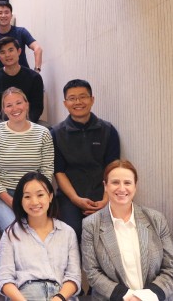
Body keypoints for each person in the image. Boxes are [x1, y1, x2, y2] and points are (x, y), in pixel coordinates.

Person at [81, 160, 173, 300]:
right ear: (105, 186)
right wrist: (128, 297)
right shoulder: (90, 225)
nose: (122, 188)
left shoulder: (156, 219)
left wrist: (143, 297)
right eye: (115, 182)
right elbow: (92, 273)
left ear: (135, 186)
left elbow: (172, 269)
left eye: (127, 183)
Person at [52, 79, 120, 242]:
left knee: (107, 233)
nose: (78, 102)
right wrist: (76, 199)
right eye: (72, 98)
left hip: (102, 194)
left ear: (92, 99)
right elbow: (59, 172)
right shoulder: (56, 133)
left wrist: (105, 199)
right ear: (65, 103)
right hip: (70, 197)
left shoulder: (108, 130)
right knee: (72, 232)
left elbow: (112, 169)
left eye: (83, 97)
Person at [0, 172, 81, 301]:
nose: (34, 202)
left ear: (50, 196)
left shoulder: (67, 232)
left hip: (61, 296)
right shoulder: (11, 233)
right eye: (27, 197)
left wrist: (59, 298)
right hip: (25, 295)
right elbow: (5, 280)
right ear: (21, 200)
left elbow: (73, 277)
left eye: (40, 195)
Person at [0, 87, 54, 232]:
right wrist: (13, 202)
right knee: (14, 230)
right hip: (1, 194)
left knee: (39, 229)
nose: (15, 108)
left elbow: (47, 171)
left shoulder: (43, 133)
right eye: (9, 105)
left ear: (26, 105)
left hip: (34, 192)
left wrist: (34, 197)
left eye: (18, 103)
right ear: (4, 109)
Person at [0, 37, 44, 123]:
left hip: (29, 121)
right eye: (3, 52)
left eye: (11, 50)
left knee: (47, 128)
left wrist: (25, 124)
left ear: (19, 51)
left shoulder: (34, 77)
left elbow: (37, 107)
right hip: (4, 122)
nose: (7, 55)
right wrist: (12, 124)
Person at [0, 1, 43, 73]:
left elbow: (37, 48)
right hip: (4, 79)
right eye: (0, 13)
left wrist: (37, 70)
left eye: (6, 12)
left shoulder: (21, 32)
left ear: (11, 15)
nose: (3, 15)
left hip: (25, 76)